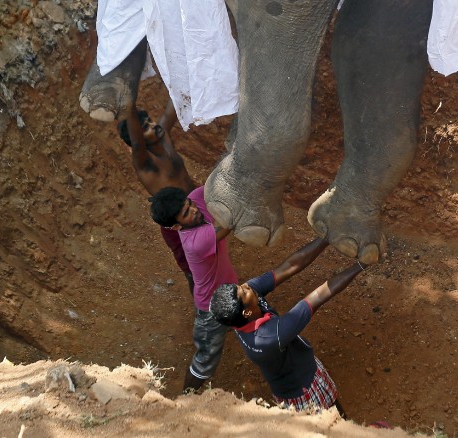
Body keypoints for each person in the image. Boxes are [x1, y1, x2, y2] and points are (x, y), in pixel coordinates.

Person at [210, 237, 367, 418]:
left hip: (291, 377)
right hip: (304, 388)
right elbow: (318, 296)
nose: (247, 286)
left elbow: (291, 265)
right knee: (333, 419)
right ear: (246, 313)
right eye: (244, 292)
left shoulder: (241, 313)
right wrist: (361, 265)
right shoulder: (269, 337)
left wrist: (329, 236)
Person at [149, 185, 237, 393]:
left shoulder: (195, 201)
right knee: (204, 363)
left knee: (258, 318)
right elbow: (230, 224)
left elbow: (215, 185)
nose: (195, 210)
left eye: (190, 205)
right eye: (186, 213)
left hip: (232, 295)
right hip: (212, 311)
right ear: (176, 227)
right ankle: (186, 400)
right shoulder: (194, 242)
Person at [118, 98, 198, 296]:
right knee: (193, 272)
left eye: (151, 121)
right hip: (177, 223)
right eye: (145, 128)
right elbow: (136, 141)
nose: (153, 126)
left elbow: (173, 102)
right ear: (139, 141)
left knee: (210, 255)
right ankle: (204, 313)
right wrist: (130, 102)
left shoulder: (163, 137)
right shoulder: (145, 164)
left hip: (197, 205)